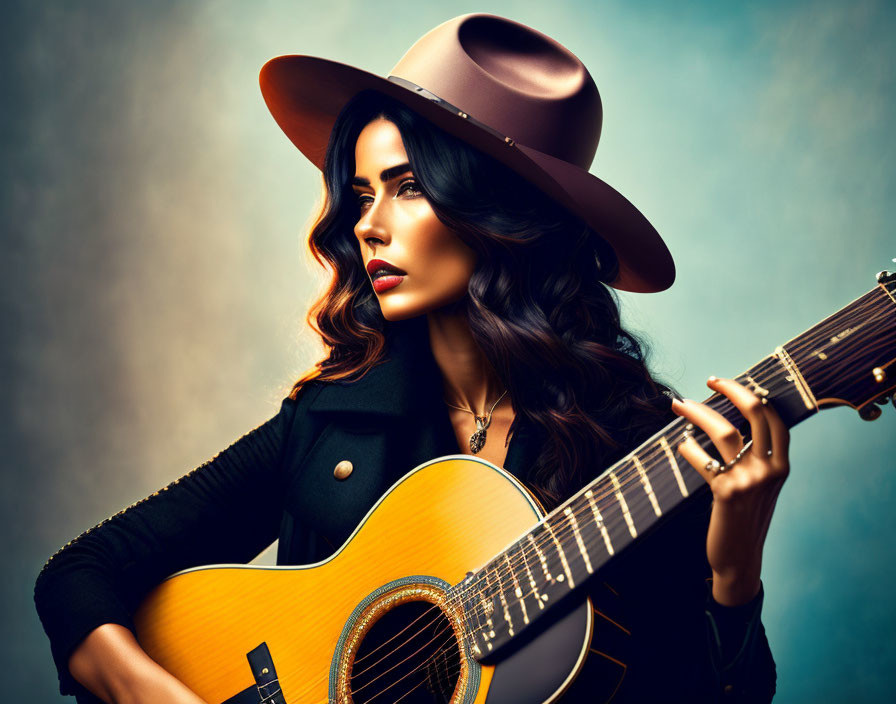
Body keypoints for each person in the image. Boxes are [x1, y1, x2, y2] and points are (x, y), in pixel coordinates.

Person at [34, 13, 787, 704]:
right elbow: (80, 575)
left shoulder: (634, 442)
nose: (367, 227)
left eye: (408, 189)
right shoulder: (334, 417)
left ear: (501, 213)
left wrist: (734, 574)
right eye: (361, 194)